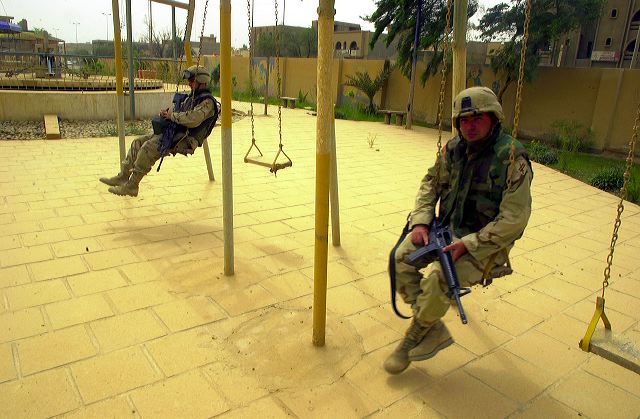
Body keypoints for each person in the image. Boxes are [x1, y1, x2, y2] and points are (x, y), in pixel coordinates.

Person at [384, 86, 533, 375]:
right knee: (400, 259)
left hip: (486, 245)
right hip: (445, 230)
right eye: (464, 120)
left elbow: (515, 219)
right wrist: (421, 221)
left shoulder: (511, 159)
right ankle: (431, 325)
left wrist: (470, 244)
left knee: (440, 279)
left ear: (493, 118)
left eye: (477, 118)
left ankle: (414, 335)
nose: (470, 126)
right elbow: (430, 183)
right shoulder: (454, 150)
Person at [100, 65, 219, 197]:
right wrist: (167, 113)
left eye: (192, 81)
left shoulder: (207, 103)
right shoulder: (191, 98)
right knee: (137, 143)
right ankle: (123, 176)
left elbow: (193, 119)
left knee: (148, 148)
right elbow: (180, 112)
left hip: (185, 139)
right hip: (174, 133)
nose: (189, 84)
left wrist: (172, 116)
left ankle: (132, 186)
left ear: (201, 81)